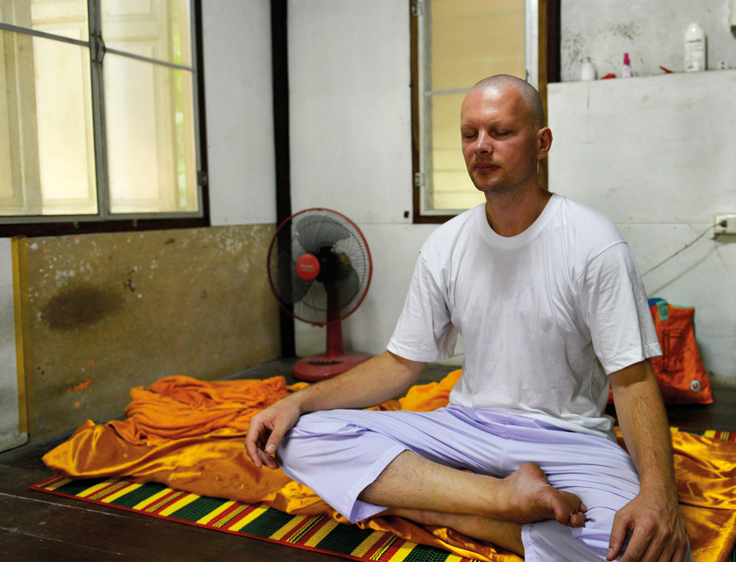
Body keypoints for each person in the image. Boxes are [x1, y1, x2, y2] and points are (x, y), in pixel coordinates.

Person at [245, 75, 690, 562]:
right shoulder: (446, 244)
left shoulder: (594, 243)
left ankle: (444, 508)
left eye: (500, 132)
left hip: (569, 440)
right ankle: (499, 500)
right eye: (469, 134)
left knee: (641, 550)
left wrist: (659, 497)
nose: (481, 146)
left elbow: (632, 381)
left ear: (542, 143)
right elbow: (399, 366)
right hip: (466, 429)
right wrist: (298, 402)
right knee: (299, 436)